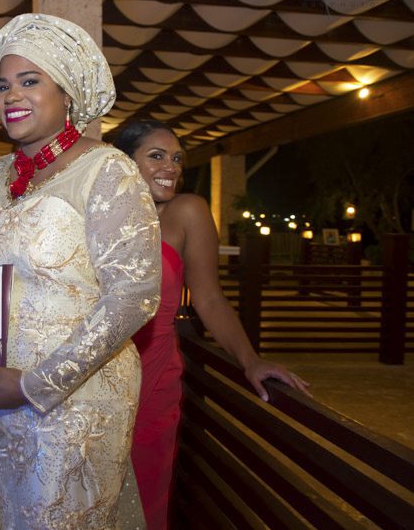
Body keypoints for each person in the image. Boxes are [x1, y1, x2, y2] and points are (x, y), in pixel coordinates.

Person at [0, 13, 161, 529]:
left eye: (30, 81)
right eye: (3, 85)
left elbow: (133, 296)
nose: (11, 96)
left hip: (75, 403)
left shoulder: (107, 170)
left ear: (67, 94)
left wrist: (36, 384)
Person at [113, 119, 312, 529]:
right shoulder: (97, 215)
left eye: (177, 159)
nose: (171, 167)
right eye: (156, 156)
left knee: (143, 495)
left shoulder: (187, 211)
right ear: (125, 162)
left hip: (154, 374)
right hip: (98, 372)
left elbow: (209, 298)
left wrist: (250, 359)